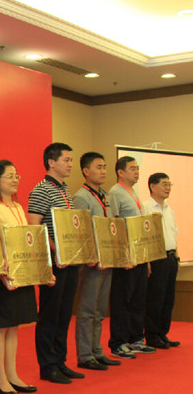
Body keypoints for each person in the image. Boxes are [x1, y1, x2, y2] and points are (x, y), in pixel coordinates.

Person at [0, 160, 38, 394]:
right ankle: (0, 378)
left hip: (20, 274)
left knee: (14, 327)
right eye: (9, 176)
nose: (15, 180)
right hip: (1, 275)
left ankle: (13, 375)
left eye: (16, 176)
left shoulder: (18, 207)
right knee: (1, 327)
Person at [27, 142, 84, 384]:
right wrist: (56, 250)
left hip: (69, 260)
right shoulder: (41, 190)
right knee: (50, 314)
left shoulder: (64, 189)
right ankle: (48, 366)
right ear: (51, 162)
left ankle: (60, 361)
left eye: (71, 160)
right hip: (53, 262)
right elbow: (34, 226)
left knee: (64, 313)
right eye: (66, 160)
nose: (71, 164)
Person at [72, 152, 122, 370]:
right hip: (91, 262)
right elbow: (80, 231)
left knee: (100, 309)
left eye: (104, 167)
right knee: (87, 310)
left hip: (107, 258)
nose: (103, 171)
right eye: (98, 167)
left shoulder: (106, 196)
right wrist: (90, 255)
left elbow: (113, 225)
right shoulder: (82, 197)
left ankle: (97, 350)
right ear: (86, 171)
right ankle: (85, 355)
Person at [107, 156, 156, 357]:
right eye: (132, 168)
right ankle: (118, 342)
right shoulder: (115, 192)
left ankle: (136, 339)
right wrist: (122, 254)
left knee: (138, 300)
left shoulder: (134, 192)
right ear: (121, 172)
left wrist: (147, 258)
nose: (137, 172)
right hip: (125, 257)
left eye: (137, 168)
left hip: (140, 255)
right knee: (122, 300)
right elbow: (113, 224)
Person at [144, 173, 180, 349]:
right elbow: (143, 237)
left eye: (169, 184)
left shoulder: (169, 209)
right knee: (155, 297)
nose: (168, 188)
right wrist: (148, 261)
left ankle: (162, 333)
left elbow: (173, 234)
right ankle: (152, 335)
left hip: (171, 258)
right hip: (156, 257)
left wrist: (177, 258)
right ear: (152, 186)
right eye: (164, 184)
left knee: (168, 298)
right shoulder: (146, 208)